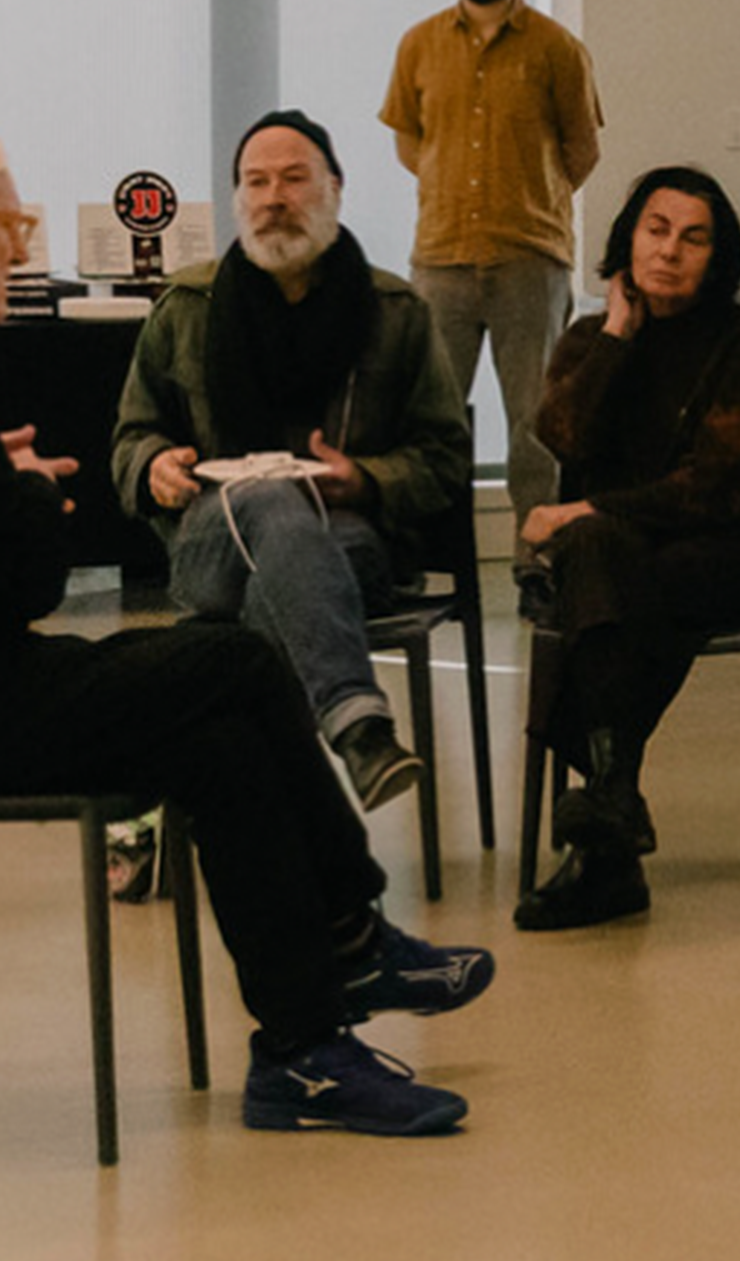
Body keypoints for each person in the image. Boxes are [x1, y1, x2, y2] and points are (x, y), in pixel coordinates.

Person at [0, 124, 489, 1137]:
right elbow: (30, 581)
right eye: (9, 224)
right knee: (236, 662)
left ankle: (303, 1047)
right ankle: (349, 939)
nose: (21, 247)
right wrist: (22, 494)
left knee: (214, 731)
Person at [109, 110, 472, 820]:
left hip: (352, 539)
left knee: (282, 569)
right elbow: (131, 435)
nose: (274, 197)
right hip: (212, 543)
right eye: (257, 182)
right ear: (239, 199)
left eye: (295, 179)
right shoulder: (188, 305)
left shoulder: (395, 310)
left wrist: (366, 479)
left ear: (335, 188)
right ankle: (355, 721)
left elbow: (444, 455)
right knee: (272, 499)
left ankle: (198, 811)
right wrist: (155, 467)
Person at [513, 164, 740, 932]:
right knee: (606, 559)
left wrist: (583, 508)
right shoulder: (590, 338)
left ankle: (609, 826)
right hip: (631, 559)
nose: (670, 251)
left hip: (735, 554)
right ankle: (614, 804)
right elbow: (562, 434)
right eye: (656, 229)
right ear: (627, 239)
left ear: (719, 257)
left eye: (693, 238)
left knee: (599, 562)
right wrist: (614, 337)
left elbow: (718, 489)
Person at [379, 0, 605, 571]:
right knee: (428, 423)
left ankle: (538, 569)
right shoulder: (418, 45)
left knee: (535, 429)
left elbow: (581, 150)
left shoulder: (557, 48)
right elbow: (410, 141)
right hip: (441, 262)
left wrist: (525, 195)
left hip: (528, 264)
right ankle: (424, 564)